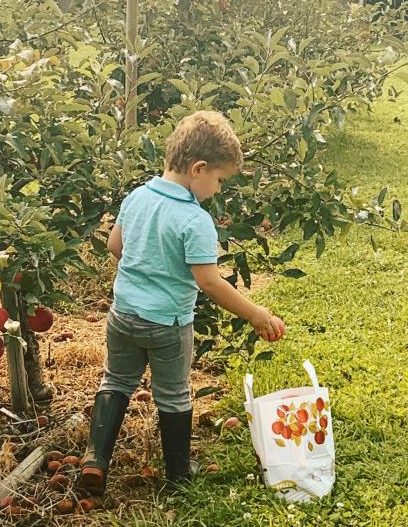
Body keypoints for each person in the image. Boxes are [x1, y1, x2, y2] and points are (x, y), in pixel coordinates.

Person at [78, 110, 285, 495]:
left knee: (116, 380)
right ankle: (177, 476)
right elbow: (208, 281)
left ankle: (95, 459)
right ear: (199, 168)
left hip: (122, 315)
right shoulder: (194, 220)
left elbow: (114, 246)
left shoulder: (137, 196)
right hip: (168, 325)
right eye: (220, 180)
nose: (219, 190)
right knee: (173, 394)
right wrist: (256, 313)